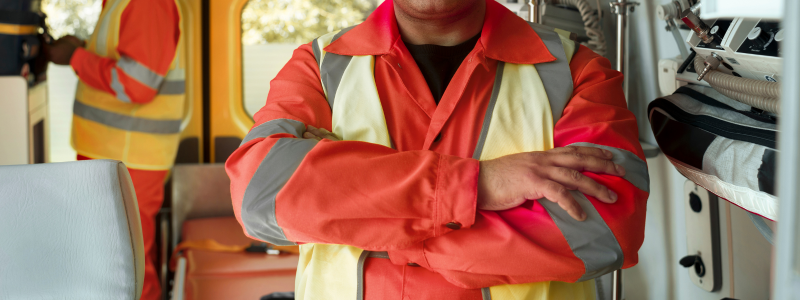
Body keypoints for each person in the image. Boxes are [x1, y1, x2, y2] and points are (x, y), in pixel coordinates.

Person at [226, 0, 649, 298]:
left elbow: (604, 233)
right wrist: (478, 184)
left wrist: (366, 221)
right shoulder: (319, 67)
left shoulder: (578, 73)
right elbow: (259, 196)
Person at [46, 0, 183, 299]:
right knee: (111, 260)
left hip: (130, 156)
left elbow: (137, 84)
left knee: (125, 266)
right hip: (113, 153)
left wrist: (77, 58)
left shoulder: (147, 4)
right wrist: (81, 48)